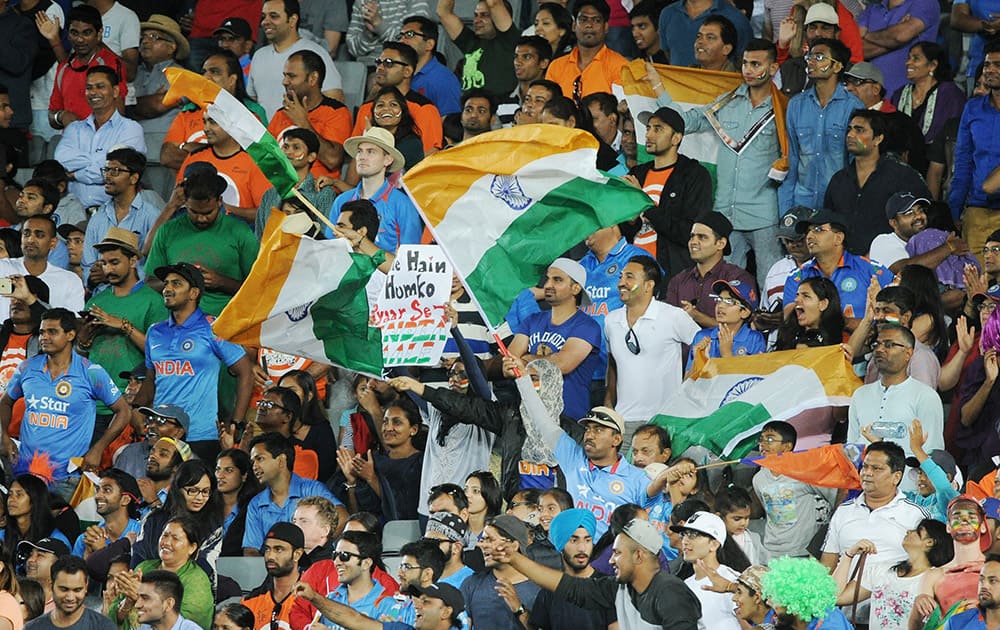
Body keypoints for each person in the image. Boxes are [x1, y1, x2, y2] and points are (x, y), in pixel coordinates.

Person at [649, 39, 784, 286]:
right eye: (745, 63)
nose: (749, 70)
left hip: (764, 211)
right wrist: (659, 87)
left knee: (770, 284)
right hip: (725, 213)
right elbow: (688, 122)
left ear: (773, 68)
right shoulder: (728, 101)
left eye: (756, 64)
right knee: (722, 285)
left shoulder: (783, 107)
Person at [0, 307, 129, 498]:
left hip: (67, 476)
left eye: (52, 332)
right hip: (26, 471)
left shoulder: (91, 372)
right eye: (42, 332)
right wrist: (3, 436)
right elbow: (5, 403)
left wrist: (98, 448)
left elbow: (123, 411)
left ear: (70, 335)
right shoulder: (27, 367)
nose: (44, 337)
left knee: (63, 527)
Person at [494, 516, 702, 627]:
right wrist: (514, 558)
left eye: (618, 553)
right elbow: (569, 587)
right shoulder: (618, 589)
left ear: (639, 556)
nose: (611, 560)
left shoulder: (670, 593)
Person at [142, 262, 253, 460]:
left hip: (202, 435)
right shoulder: (154, 331)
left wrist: (236, 421)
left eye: (176, 284)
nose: (167, 289)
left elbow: (245, 372)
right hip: (162, 434)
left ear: (193, 293)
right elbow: (151, 379)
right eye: (166, 284)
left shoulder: (212, 327)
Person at [78, 228, 167, 445]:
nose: (109, 269)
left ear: (134, 260)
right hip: (91, 401)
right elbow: (82, 352)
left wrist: (123, 326)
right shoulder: (96, 302)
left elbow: (161, 355)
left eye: (115, 262)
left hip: (129, 402)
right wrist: (84, 339)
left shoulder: (153, 301)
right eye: (104, 263)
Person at [144, 168, 257, 315]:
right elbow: (151, 282)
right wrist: (181, 282)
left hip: (224, 321)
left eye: (208, 213)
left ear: (220, 202)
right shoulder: (168, 231)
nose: (201, 219)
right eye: (194, 212)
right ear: (185, 204)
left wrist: (221, 282)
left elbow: (257, 289)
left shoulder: (239, 232)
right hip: (178, 322)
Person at [605, 254, 698, 425]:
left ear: (649, 285)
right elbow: (613, 365)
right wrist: (609, 403)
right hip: (623, 420)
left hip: (664, 420)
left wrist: (687, 385)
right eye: (621, 277)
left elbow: (704, 348)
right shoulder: (611, 320)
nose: (621, 283)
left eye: (629, 277)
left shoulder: (673, 316)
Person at [823, 109, 932, 254]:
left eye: (859, 130)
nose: (850, 135)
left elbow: (925, 220)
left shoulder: (902, 175)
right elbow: (828, 222)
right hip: (847, 266)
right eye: (849, 130)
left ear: (878, 139)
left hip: (892, 263)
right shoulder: (839, 180)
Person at [623, 107, 712, 281]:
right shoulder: (637, 173)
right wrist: (629, 219)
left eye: (658, 129)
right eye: (648, 128)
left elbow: (690, 231)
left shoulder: (694, 175)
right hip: (634, 272)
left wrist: (645, 204)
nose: (648, 135)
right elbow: (622, 231)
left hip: (673, 276)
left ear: (676, 138)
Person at [507, 258, 601, 420]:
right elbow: (508, 364)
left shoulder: (587, 326)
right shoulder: (532, 320)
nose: (548, 285)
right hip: (527, 417)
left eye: (557, 280)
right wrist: (530, 362)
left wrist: (524, 359)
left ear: (576, 288)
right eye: (548, 279)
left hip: (567, 419)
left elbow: (561, 364)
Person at [779, 38, 864, 214]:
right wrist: (786, 210)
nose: (811, 61)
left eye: (819, 57)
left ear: (837, 67)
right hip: (801, 202)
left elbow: (857, 163)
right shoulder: (796, 105)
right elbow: (792, 158)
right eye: (810, 56)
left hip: (838, 203)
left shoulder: (853, 107)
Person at [820, 441, 929, 574]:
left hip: (893, 592)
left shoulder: (916, 515)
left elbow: (926, 566)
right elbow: (828, 563)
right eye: (865, 467)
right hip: (843, 591)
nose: (867, 473)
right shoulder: (844, 511)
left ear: (896, 477)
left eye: (876, 468)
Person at [54, 66, 145, 211]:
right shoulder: (74, 128)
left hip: (114, 210)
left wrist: (76, 174)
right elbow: (61, 160)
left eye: (100, 87)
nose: (93, 92)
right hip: (72, 212)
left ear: (115, 91)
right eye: (89, 88)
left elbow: (118, 172)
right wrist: (98, 160)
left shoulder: (131, 129)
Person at [782, 209, 894, 325]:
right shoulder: (797, 276)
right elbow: (790, 321)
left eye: (818, 230)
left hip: (865, 342)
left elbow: (897, 316)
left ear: (838, 238)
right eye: (807, 232)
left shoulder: (871, 270)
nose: (809, 236)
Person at [160, 49, 266, 170]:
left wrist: (194, 148)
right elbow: (168, 156)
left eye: (215, 72)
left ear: (232, 80)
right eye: (204, 72)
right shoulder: (188, 111)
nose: (206, 77)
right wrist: (224, 157)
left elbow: (261, 158)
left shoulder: (252, 112)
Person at [242, 432, 345, 555]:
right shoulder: (256, 504)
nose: (254, 466)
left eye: (260, 459)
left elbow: (342, 518)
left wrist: (317, 554)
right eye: (252, 462)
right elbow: (251, 549)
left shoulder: (312, 489)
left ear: (281, 460)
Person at [323, 127, 423, 255]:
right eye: (360, 151)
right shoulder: (342, 200)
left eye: (370, 152)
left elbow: (411, 256)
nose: (362, 157)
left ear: (388, 160)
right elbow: (329, 247)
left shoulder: (403, 204)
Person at [752, 421, 837, 559]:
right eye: (761, 439)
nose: (763, 443)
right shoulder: (759, 478)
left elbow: (835, 498)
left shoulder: (804, 473)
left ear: (787, 446)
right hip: (771, 551)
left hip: (802, 551)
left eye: (770, 439)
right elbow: (767, 509)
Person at [110, 516, 214, 630]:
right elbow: (113, 617)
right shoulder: (144, 567)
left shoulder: (197, 581)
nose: (166, 542)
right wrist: (128, 602)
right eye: (165, 535)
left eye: (175, 538)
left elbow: (176, 622)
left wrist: (140, 594)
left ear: (192, 548)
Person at [247, 0, 343, 120]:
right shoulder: (259, 56)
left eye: (273, 16)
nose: (265, 22)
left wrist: (308, 128)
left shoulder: (315, 53)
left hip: (300, 135)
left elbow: (335, 99)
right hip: (265, 136)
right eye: (263, 17)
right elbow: (252, 102)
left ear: (292, 20)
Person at [948, 41, 1000, 261]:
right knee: (975, 284)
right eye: (987, 64)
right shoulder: (973, 108)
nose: (990, 70)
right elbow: (963, 162)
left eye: (998, 64)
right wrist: (955, 208)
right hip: (978, 211)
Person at [267, 49, 352, 182]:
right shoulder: (281, 113)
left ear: (312, 78)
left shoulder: (336, 112)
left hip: (319, 194)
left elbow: (333, 160)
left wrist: (304, 124)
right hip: (282, 191)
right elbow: (266, 159)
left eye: (292, 76)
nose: (284, 81)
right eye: (285, 75)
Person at [173, 113, 273, 222]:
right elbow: (177, 202)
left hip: (238, 233)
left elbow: (267, 212)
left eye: (213, 122)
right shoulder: (195, 157)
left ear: (232, 124)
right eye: (205, 122)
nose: (206, 128)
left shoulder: (254, 161)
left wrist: (228, 209)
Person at [81, 148, 161, 284]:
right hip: (101, 296)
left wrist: (110, 273)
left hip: (136, 297)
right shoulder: (98, 217)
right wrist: (92, 277)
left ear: (134, 178)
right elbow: (87, 266)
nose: (107, 176)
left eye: (115, 171)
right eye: (106, 170)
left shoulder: (151, 216)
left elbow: (154, 269)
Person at [349, 42, 443, 156]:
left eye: (388, 63)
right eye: (378, 62)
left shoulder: (424, 109)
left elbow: (430, 155)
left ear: (407, 71)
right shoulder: (366, 108)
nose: (380, 68)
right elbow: (355, 157)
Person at [665, 211, 757, 328]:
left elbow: (742, 329)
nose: (693, 242)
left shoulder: (738, 278)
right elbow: (668, 326)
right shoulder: (678, 281)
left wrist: (696, 316)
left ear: (721, 243)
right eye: (692, 236)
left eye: (702, 237)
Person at [527, 509, 615, 629]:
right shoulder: (549, 591)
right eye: (574, 540)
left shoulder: (607, 588)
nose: (582, 548)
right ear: (560, 545)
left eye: (587, 540)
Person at [47, 5, 128, 131]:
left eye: (87, 33)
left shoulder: (111, 63)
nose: (80, 39)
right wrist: (62, 116)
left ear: (99, 34)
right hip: (72, 144)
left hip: (103, 143)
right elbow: (52, 115)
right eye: (74, 33)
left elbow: (119, 113)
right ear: (68, 35)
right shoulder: (64, 67)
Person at [460, 515, 541, 630]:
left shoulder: (540, 589)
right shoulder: (471, 584)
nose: (483, 546)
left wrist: (519, 610)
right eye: (482, 540)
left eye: (490, 540)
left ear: (514, 545)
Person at [673, 511, 749, 630]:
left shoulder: (731, 580)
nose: (685, 541)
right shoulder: (685, 585)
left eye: (693, 535)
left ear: (714, 544)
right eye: (684, 534)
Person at [544, 0, 628, 100]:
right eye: (583, 20)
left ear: (606, 27)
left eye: (596, 20)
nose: (589, 25)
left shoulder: (621, 67)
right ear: (574, 25)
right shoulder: (556, 66)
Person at [130, 15, 188, 156]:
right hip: (132, 153)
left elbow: (156, 106)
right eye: (143, 37)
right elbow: (122, 109)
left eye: (154, 37)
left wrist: (131, 106)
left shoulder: (182, 75)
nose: (145, 41)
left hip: (162, 154)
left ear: (171, 47)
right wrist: (152, 101)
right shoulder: (133, 73)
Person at [438, 0, 519, 98]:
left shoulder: (510, 40)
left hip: (498, 110)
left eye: (484, 15)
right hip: (468, 110)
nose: (477, 20)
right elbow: (443, 13)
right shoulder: (470, 42)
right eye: (476, 15)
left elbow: (494, 3)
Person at [857, 0, 939, 96]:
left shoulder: (925, 2)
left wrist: (866, 35)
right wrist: (895, 39)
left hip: (908, 97)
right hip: (871, 98)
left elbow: (900, 36)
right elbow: (859, 49)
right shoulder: (872, 8)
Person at [891, 42, 966, 145]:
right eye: (909, 58)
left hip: (937, 157)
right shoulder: (899, 94)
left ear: (932, 65)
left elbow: (953, 133)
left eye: (916, 58)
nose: (908, 63)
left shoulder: (949, 94)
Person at [686, 280, 765, 373]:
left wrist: (727, 354)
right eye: (719, 300)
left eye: (729, 301)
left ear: (744, 312)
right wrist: (697, 361)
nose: (721, 306)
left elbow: (755, 382)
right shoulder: (702, 336)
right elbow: (686, 383)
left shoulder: (754, 339)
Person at [759, 556, 853, 630]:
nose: (768, 602)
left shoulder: (830, 625)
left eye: (776, 599)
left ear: (795, 605)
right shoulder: (792, 620)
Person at [241, 522, 304, 629]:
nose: (270, 556)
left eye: (278, 549)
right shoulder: (250, 602)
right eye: (267, 549)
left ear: (297, 554)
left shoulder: (311, 600)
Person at [27, 556, 116, 630]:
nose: (70, 597)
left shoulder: (104, 626)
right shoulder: (33, 628)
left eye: (77, 590)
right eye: (64, 589)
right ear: (51, 586)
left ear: (86, 587)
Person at [71, 468, 142, 559]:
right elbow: (74, 572)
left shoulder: (141, 534)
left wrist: (103, 551)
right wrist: (88, 553)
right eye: (98, 490)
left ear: (125, 500)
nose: (97, 496)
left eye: (107, 490)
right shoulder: (86, 539)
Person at [400, 15, 462, 116]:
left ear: (429, 44)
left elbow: (450, 124)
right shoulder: (398, 73)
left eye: (410, 34)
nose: (402, 40)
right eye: (401, 36)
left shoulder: (443, 79)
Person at [216, 448, 261, 558]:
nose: (220, 476)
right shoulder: (206, 504)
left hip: (239, 568)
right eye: (218, 469)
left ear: (244, 475)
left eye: (229, 470)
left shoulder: (254, 507)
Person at [133, 570, 200, 630]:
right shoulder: (143, 628)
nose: (137, 605)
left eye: (145, 598)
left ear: (168, 604)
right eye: (138, 598)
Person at [292, 495, 339, 567]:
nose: (295, 526)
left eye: (304, 521)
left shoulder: (334, 566)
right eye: (294, 521)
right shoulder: (288, 560)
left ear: (325, 530)